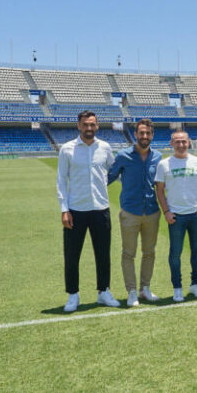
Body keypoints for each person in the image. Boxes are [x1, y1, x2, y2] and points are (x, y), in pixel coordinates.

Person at [57, 110, 119, 312]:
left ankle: (103, 292)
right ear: (79, 126)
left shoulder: (105, 147)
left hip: (101, 209)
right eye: (85, 125)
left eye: (92, 124)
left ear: (97, 126)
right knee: (72, 255)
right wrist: (64, 209)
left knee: (103, 254)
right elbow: (61, 181)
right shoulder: (67, 149)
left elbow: (113, 171)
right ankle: (73, 295)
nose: (89, 128)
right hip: (76, 210)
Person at [108, 118, 163, 307]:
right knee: (128, 253)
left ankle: (145, 288)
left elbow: (162, 184)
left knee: (149, 252)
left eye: (148, 133)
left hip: (152, 212)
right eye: (141, 133)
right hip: (130, 212)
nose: (144, 136)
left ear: (152, 135)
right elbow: (109, 177)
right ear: (135, 134)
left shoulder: (158, 156)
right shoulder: (124, 156)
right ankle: (131, 291)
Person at [155, 129, 197, 302]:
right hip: (176, 216)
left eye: (184, 141)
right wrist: (166, 212)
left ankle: (196, 284)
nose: (181, 145)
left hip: (196, 214)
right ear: (171, 144)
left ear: (189, 143)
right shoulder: (164, 164)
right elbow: (160, 191)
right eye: (177, 142)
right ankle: (177, 287)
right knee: (175, 253)